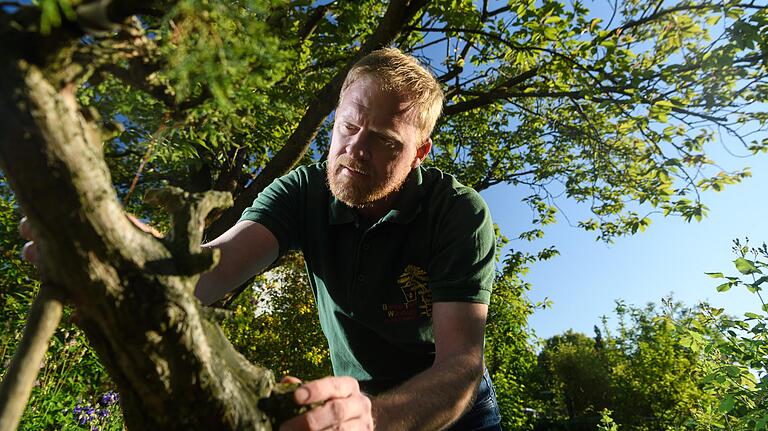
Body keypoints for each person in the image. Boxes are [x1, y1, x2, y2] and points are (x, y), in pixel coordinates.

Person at [22, 48, 502, 430]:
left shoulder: (457, 214)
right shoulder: (302, 192)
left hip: (455, 412)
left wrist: (373, 419)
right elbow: (212, 268)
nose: (355, 151)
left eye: (384, 140)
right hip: (356, 404)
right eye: (349, 127)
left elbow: (460, 364)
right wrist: (124, 251)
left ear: (419, 151)